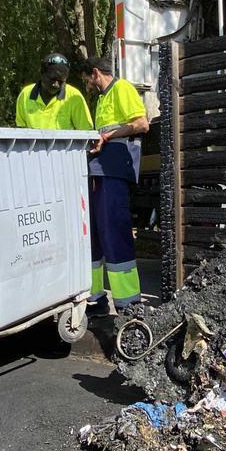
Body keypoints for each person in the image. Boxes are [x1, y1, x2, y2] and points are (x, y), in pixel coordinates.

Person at [81, 56, 148, 316]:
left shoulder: (122, 89)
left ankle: (128, 303)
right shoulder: (101, 100)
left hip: (114, 173)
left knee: (114, 233)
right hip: (99, 172)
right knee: (95, 235)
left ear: (95, 73)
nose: (87, 84)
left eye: (87, 79)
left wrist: (107, 135)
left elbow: (141, 124)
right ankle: (95, 298)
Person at [14, 52, 93, 130]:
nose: (56, 84)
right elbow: (21, 130)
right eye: (52, 79)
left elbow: (86, 132)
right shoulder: (25, 94)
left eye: (61, 81)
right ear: (42, 74)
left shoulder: (73, 96)